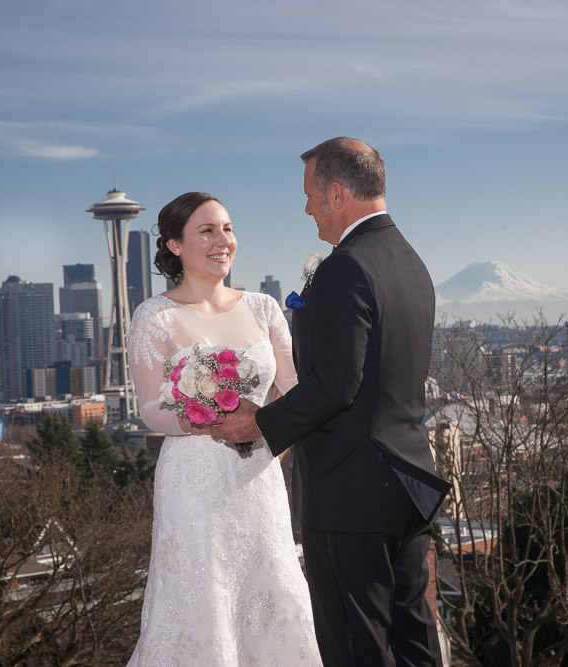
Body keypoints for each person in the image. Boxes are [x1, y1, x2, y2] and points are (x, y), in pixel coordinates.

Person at [216, 138, 451, 666]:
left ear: (337, 194)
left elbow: (337, 385)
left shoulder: (345, 267)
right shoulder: (411, 262)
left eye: (309, 195)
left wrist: (259, 423)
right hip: (410, 485)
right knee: (412, 639)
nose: (305, 208)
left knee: (355, 646)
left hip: (353, 493)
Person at [126, 192, 321, 666]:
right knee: (199, 603)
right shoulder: (154, 316)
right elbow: (149, 409)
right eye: (207, 231)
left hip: (258, 478)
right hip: (192, 483)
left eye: (228, 229)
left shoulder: (264, 308)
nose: (223, 241)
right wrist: (201, 417)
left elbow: (298, 391)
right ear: (174, 244)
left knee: (272, 589)